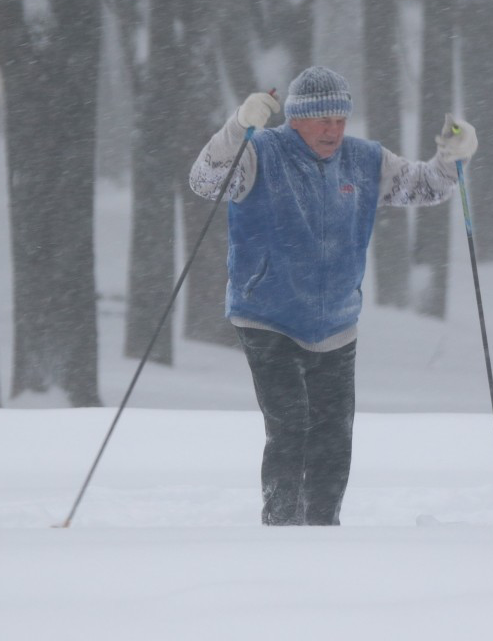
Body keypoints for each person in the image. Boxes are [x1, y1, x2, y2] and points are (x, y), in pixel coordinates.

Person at [188, 66, 478, 526]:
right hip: (266, 314)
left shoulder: (365, 161)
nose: (333, 129)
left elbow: (424, 186)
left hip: (337, 322)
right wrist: (237, 127)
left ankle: (323, 529)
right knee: (290, 425)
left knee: (333, 437)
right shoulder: (260, 152)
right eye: (322, 119)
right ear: (296, 119)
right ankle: (281, 525)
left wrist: (451, 159)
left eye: (340, 119)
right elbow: (206, 181)